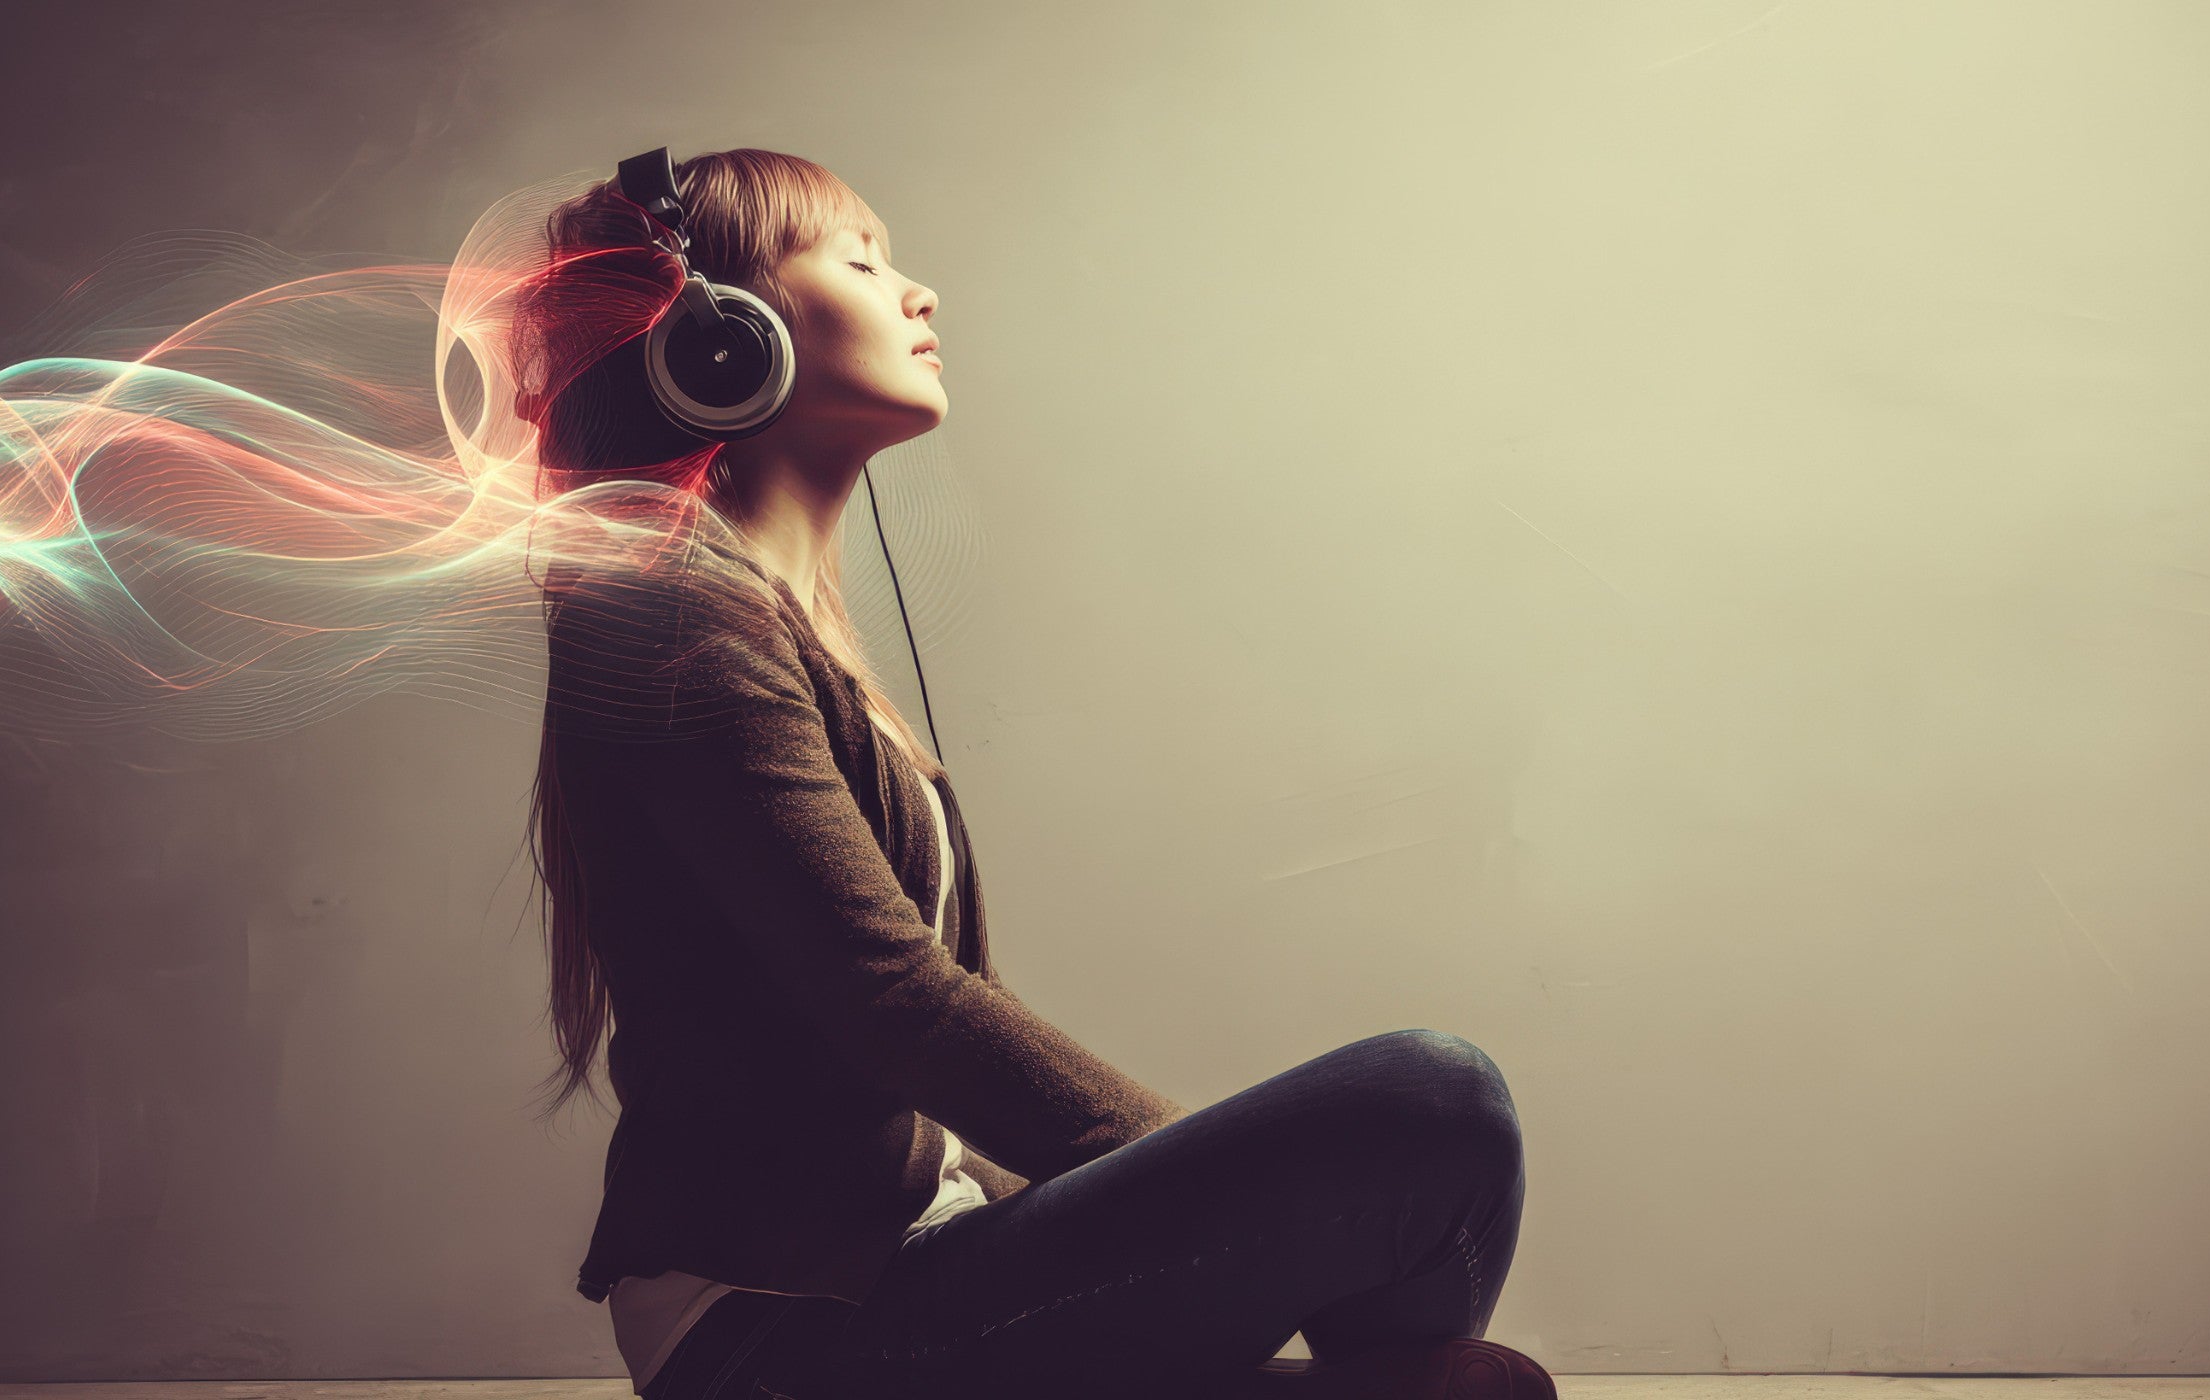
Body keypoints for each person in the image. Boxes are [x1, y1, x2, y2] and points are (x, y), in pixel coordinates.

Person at [516, 147, 1550, 1400]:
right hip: (789, 1332)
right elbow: (899, 1003)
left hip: (928, 1278)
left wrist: (1202, 1211)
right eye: (858, 259)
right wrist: (1221, 1182)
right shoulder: (668, 615)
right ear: (722, 340)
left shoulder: (782, 626)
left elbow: (941, 1029)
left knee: (1480, 1382)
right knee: (1430, 1101)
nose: (918, 293)